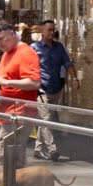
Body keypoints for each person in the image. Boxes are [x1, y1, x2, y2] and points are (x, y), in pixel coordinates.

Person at [0, 23, 42, 158]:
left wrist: (6, 82)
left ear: (12, 34)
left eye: (1, 39)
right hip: (9, 114)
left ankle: (10, 179)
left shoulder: (25, 53)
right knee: (10, 157)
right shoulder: (8, 53)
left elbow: (34, 82)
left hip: (19, 114)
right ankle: (13, 178)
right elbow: (6, 78)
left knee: (2, 156)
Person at [32, 20, 78, 160]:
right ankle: (53, 149)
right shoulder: (34, 48)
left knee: (46, 119)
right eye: (49, 30)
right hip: (41, 89)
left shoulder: (59, 47)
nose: (52, 33)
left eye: (53, 30)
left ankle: (38, 149)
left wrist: (74, 78)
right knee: (46, 118)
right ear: (42, 31)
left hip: (56, 88)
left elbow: (67, 63)